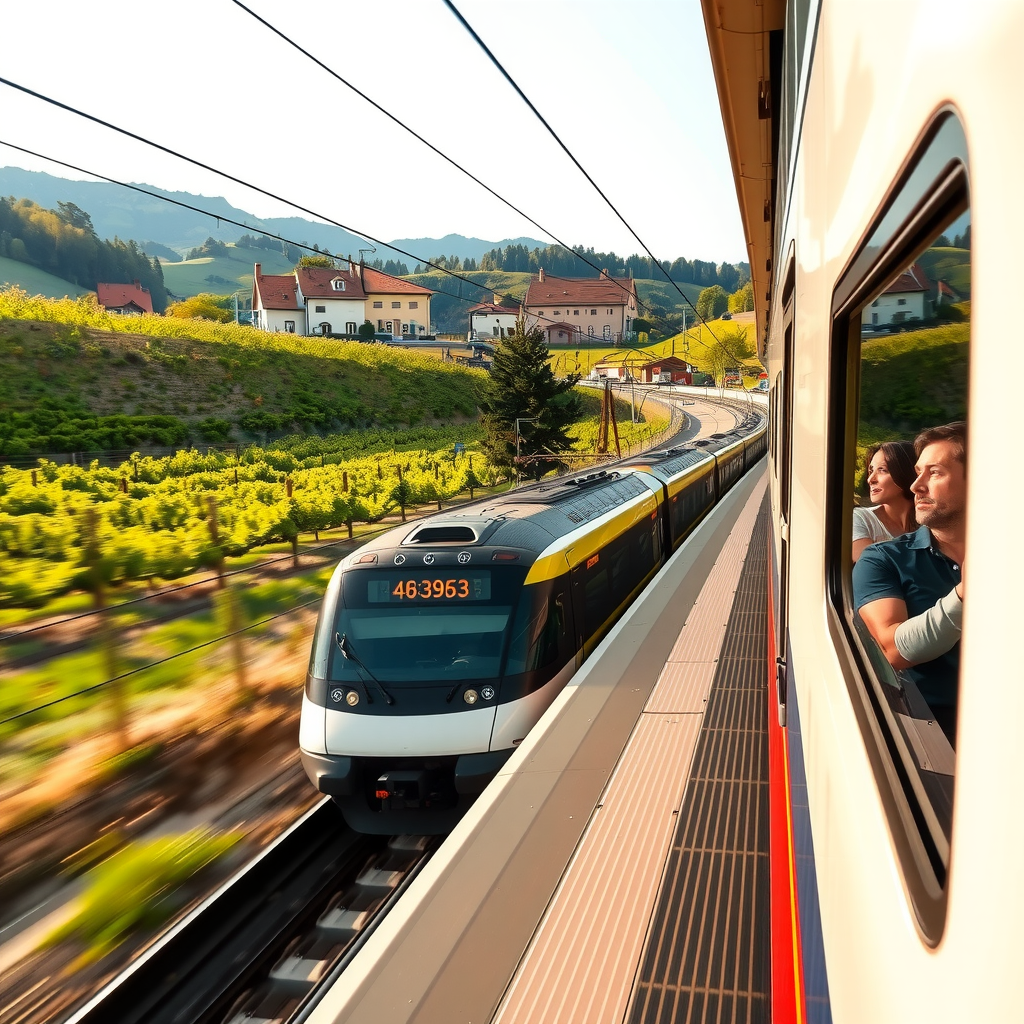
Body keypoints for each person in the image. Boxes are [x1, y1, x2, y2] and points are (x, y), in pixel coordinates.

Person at [852, 422, 966, 744]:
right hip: (934, 734)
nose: (915, 486)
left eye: (935, 473)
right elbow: (893, 649)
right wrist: (964, 595)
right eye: (917, 472)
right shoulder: (882, 560)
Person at [852, 441, 917, 561]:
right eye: (871, 471)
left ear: (906, 472)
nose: (871, 479)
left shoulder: (930, 523)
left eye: (882, 470)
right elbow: (871, 567)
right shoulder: (861, 519)